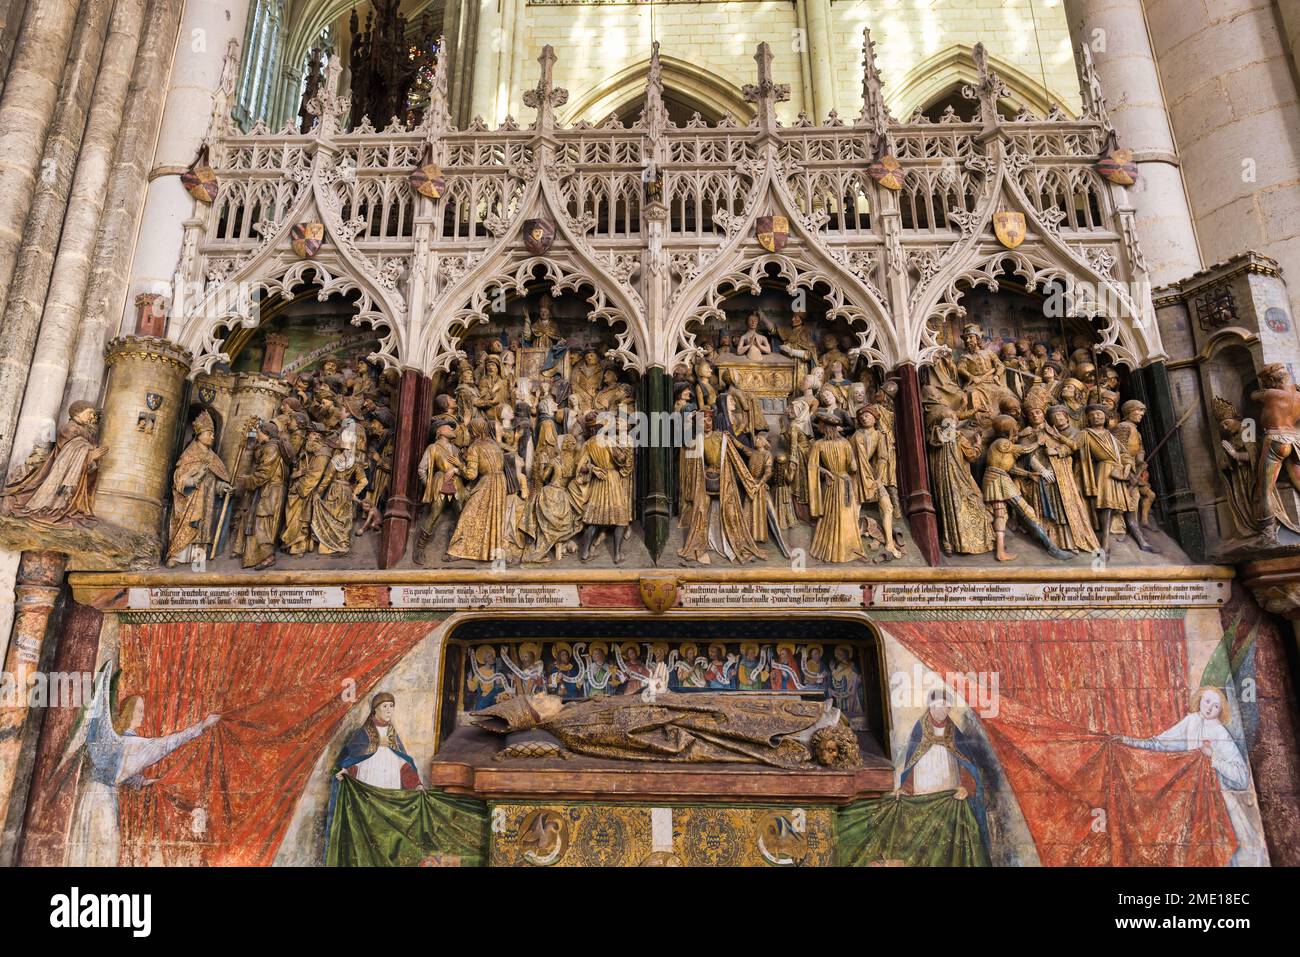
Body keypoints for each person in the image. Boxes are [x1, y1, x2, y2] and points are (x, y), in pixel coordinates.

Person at [63, 663, 220, 867]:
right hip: (100, 800)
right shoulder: (131, 743)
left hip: (99, 795)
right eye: (139, 710)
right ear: (128, 712)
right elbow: (167, 743)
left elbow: (123, 773)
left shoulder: (124, 742)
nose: (142, 715)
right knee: (102, 850)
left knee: (99, 851)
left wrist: (147, 781)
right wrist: (202, 725)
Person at [1117, 688, 1265, 866]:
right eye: (1207, 701)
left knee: (1227, 853)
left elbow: (1242, 777)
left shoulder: (1220, 733)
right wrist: (1127, 741)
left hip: (1218, 801)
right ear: (1200, 698)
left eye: (1216, 706)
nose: (1209, 708)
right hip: (1189, 797)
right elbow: (1160, 744)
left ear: (1221, 710)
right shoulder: (1191, 721)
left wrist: (1213, 758)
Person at [2, 400, 109, 526]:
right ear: (77, 414)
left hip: (75, 473)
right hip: (60, 471)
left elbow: (83, 449)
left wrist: (91, 457)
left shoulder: (85, 433)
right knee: (43, 499)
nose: (92, 417)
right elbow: (68, 450)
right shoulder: (69, 429)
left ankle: (57, 508)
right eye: (89, 413)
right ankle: (30, 505)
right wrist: (89, 455)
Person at [164, 410, 232, 566]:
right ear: (199, 434)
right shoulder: (190, 454)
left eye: (213, 434)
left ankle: (198, 562)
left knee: (203, 530)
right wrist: (194, 479)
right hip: (191, 500)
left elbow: (215, 481)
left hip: (207, 501)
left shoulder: (213, 458)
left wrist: (223, 487)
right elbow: (178, 478)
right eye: (209, 433)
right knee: (187, 526)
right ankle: (176, 556)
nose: (212, 437)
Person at [447, 418, 509, 563]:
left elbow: (471, 474)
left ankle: (458, 550)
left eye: (470, 430)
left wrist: (458, 466)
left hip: (487, 482)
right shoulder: (494, 445)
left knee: (469, 515)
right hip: (500, 482)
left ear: (473, 430)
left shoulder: (475, 447)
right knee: (493, 517)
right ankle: (491, 552)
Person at [413, 421, 464, 565]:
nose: (451, 429)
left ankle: (456, 548)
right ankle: (420, 548)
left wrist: (456, 470)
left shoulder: (456, 449)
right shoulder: (433, 447)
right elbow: (422, 469)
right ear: (439, 431)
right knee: (434, 513)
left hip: (457, 483)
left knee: (461, 514)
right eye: (448, 427)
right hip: (440, 482)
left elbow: (465, 469)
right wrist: (430, 485)